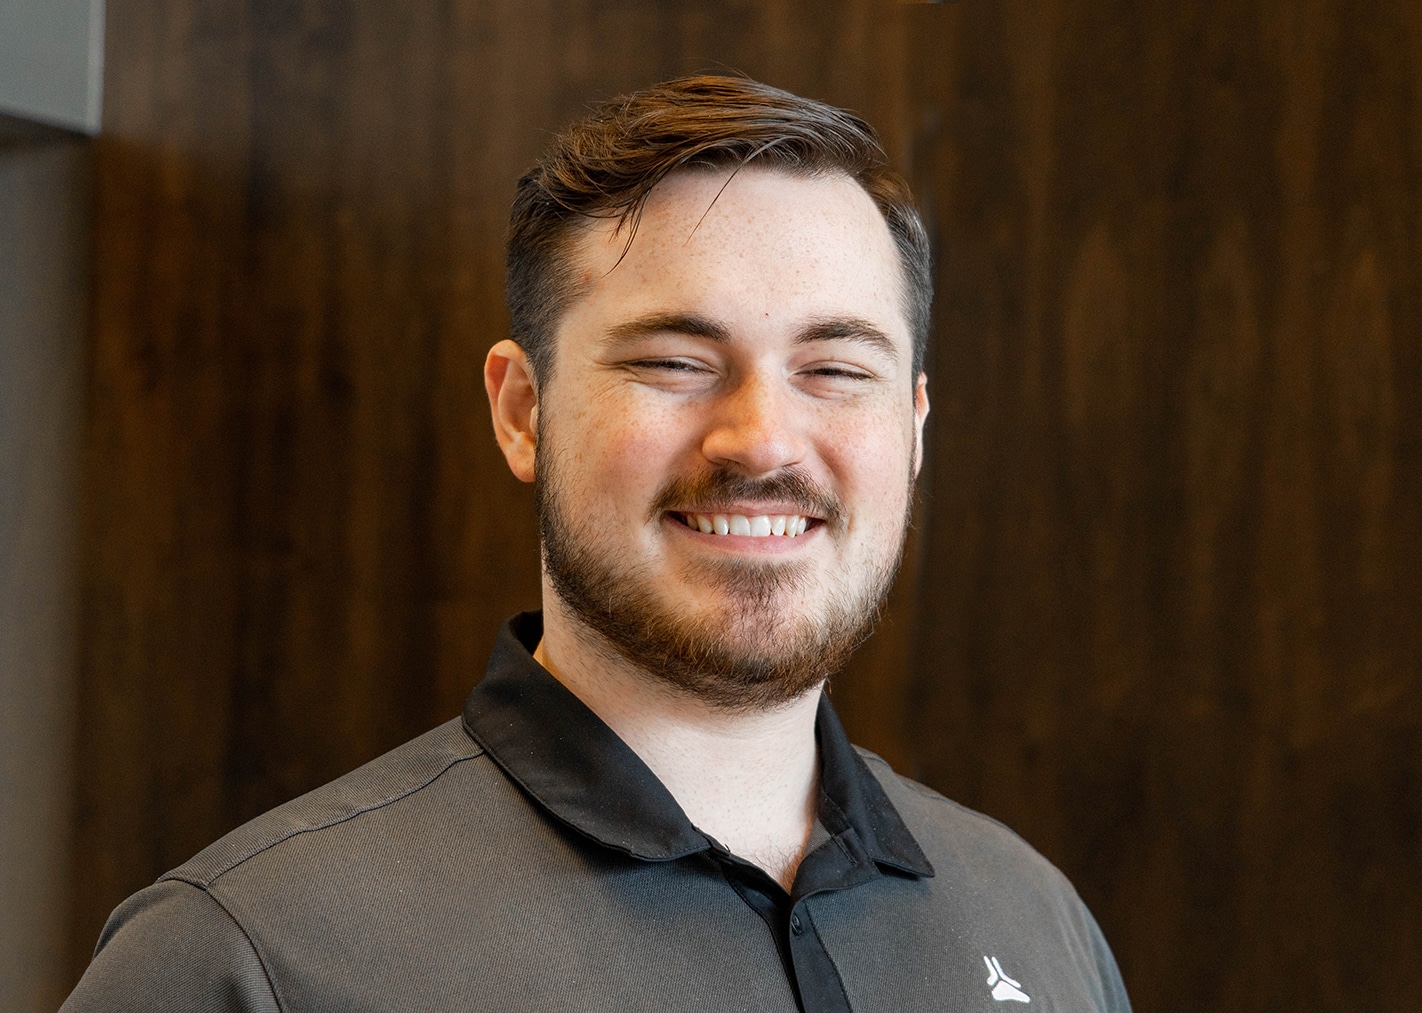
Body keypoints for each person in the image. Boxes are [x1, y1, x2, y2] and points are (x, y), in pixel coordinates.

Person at [63, 76, 1131, 1012]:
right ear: (522, 411)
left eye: (837, 370)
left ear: (914, 428)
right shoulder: (249, 959)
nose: (762, 437)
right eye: (674, 361)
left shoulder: (1036, 921)